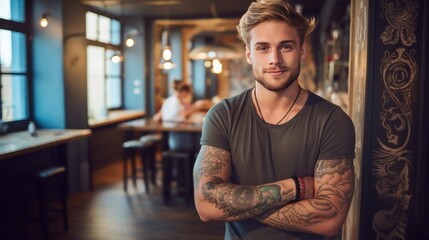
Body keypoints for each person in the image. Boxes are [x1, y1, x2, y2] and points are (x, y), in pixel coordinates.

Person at [192, 0, 356, 239]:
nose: (274, 59)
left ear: (302, 51)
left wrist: (236, 205)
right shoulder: (223, 114)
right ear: (249, 54)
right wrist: (296, 187)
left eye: (286, 47)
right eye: (262, 48)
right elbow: (206, 206)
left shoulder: (332, 121)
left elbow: (329, 219)